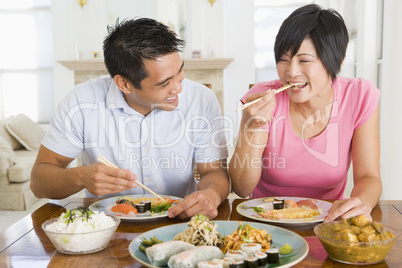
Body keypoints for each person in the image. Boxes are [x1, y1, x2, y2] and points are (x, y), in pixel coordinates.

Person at [30, 18, 230, 220]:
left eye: (179, 72)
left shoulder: (201, 99)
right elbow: (39, 183)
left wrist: (211, 195)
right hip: (107, 227)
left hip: (178, 221)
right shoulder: (81, 102)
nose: (178, 88)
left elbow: (213, 173)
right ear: (124, 84)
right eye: (164, 83)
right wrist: (80, 176)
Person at [229, 4, 381, 222]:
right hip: (267, 223)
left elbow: (369, 176)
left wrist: (361, 203)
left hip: (328, 222)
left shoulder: (359, 96)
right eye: (283, 59)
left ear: (336, 61)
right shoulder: (263, 97)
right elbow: (242, 189)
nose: (291, 72)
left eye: (304, 60)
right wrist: (250, 127)